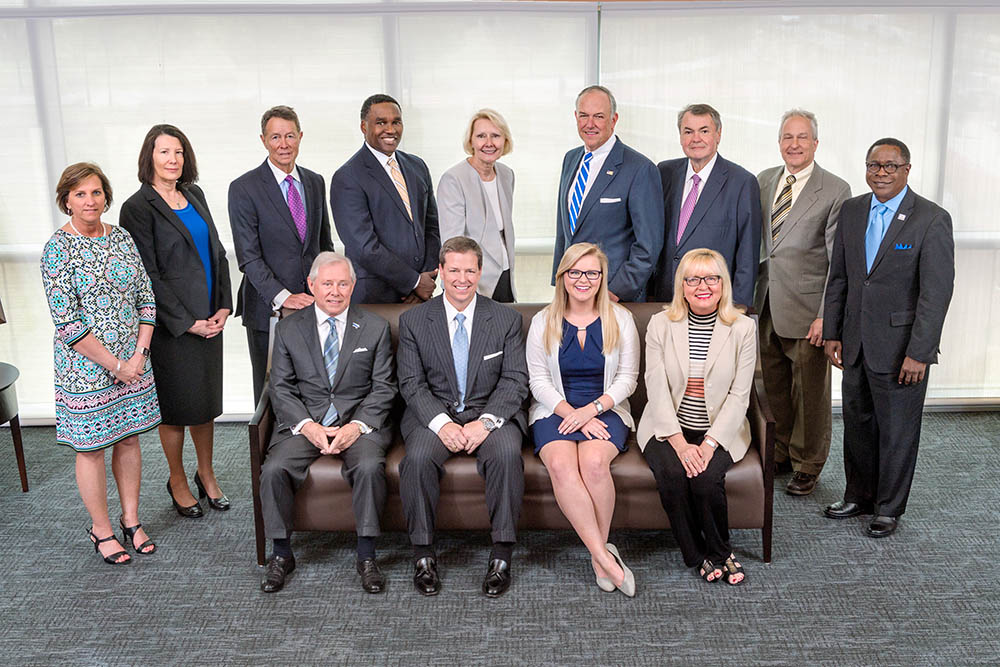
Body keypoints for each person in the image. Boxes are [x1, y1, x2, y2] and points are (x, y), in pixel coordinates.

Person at [822, 138, 954, 538]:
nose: (881, 172)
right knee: (858, 424)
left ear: (907, 170)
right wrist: (833, 333)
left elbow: (936, 292)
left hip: (901, 350)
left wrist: (921, 351)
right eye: (874, 165)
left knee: (897, 431)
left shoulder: (931, 219)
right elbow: (841, 276)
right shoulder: (852, 210)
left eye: (890, 166)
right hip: (855, 341)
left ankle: (888, 508)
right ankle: (859, 495)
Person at [41, 162, 161, 565]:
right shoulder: (57, 249)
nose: (89, 201)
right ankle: (101, 528)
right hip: (86, 367)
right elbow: (68, 324)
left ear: (105, 196)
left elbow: (146, 298)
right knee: (91, 447)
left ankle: (130, 520)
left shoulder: (122, 237)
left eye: (95, 192)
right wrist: (115, 365)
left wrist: (138, 356)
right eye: (80, 194)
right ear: (66, 201)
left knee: (129, 438)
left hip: (134, 362)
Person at [397, 236, 528, 598]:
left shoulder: (505, 319)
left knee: (505, 455)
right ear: (440, 271)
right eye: (453, 269)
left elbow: (515, 380)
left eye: (470, 270)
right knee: (418, 459)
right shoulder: (414, 321)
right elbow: (411, 383)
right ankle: (423, 555)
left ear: (480, 272)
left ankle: (502, 554)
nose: (462, 278)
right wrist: (443, 424)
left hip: (490, 413)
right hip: (433, 414)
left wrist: (484, 423)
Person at [259, 252, 397, 594]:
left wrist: (357, 426)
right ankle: (280, 553)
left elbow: (384, 387)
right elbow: (280, 387)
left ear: (353, 286)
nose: (335, 291)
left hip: (358, 422)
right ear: (312, 285)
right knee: (274, 469)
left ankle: (366, 555)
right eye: (327, 283)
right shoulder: (290, 328)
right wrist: (308, 426)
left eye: (342, 283)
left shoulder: (375, 327)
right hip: (305, 422)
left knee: (368, 466)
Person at [120, 124, 233, 519]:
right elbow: (147, 274)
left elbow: (216, 251)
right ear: (149, 157)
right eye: (165, 152)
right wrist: (187, 323)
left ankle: (206, 473)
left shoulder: (195, 194)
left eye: (179, 152)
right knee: (176, 408)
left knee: (205, 404)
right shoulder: (137, 207)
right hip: (172, 327)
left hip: (210, 318)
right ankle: (178, 479)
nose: (173, 160)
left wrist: (223, 305)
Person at [638, 248, 757, 586]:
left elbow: (739, 395)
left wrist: (707, 446)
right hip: (666, 426)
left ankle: (720, 550)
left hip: (719, 429)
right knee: (674, 476)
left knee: (705, 480)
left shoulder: (743, 328)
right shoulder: (661, 324)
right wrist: (678, 443)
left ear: (723, 284)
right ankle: (699, 554)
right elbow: (656, 387)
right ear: (682, 285)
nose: (702, 286)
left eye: (711, 278)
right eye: (693, 279)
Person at [527, 242, 639, 597]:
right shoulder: (543, 320)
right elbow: (538, 382)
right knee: (561, 465)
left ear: (602, 277)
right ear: (562, 277)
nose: (583, 279)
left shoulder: (620, 319)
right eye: (575, 272)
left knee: (593, 463)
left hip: (605, 410)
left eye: (592, 272)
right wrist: (570, 413)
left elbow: (628, 379)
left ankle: (598, 552)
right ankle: (603, 557)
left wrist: (590, 411)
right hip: (553, 411)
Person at [754, 109, 852, 496]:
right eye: (787, 137)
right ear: (779, 142)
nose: (793, 145)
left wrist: (827, 316)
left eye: (801, 137)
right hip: (765, 302)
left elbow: (837, 261)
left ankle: (809, 463)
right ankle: (780, 452)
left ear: (815, 143)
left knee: (810, 391)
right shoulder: (763, 181)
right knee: (773, 384)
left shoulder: (834, 189)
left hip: (809, 309)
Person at [229, 105, 336, 404]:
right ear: (263, 140)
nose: (284, 144)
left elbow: (323, 245)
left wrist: (326, 291)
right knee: (270, 394)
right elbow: (248, 257)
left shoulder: (315, 181)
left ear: (301, 137)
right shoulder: (243, 188)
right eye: (275, 137)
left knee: (313, 386)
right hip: (268, 308)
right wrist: (283, 295)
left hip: (314, 305)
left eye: (290, 136)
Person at [552, 85, 663, 302]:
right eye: (583, 116)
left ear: (613, 120)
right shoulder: (570, 159)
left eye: (598, 116)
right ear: (576, 117)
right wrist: (560, 281)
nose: (589, 124)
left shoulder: (640, 168)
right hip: (572, 292)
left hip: (613, 296)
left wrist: (616, 291)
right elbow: (564, 232)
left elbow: (649, 246)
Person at [331, 94, 441, 304]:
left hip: (421, 297)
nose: (390, 130)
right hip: (374, 297)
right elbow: (364, 247)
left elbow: (432, 227)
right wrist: (413, 282)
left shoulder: (417, 166)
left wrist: (426, 279)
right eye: (381, 123)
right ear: (364, 127)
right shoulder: (348, 176)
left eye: (396, 122)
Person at [648, 104, 761, 307]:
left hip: (715, 304)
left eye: (704, 131)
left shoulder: (742, 182)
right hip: (665, 300)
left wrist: (738, 309)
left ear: (718, 134)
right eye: (688, 131)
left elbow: (747, 257)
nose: (696, 139)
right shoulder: (664, 172)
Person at [437, 109, 517, 302]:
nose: (489, 143)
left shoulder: (506, 175)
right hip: (473, 283)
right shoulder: (453, 179)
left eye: (496, 136)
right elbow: (453, 245)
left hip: (504, 275)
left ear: (505, 141)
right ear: (471, 141)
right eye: (481, 136)